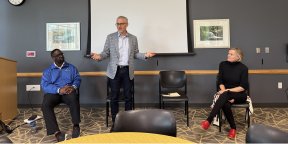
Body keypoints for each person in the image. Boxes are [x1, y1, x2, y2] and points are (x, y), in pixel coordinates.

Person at [91, 16, 156, 124]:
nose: (119, 26)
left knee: (128, 97)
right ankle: (115, 122)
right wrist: (99, 56)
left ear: (127, 24)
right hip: (114, 71)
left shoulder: (133, 38)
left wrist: (145, 55)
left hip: (127, 71)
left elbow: (135, 53)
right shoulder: (110, 37)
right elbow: (105, 53)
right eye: (117, 24)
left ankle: (128, 122)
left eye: (121, 24)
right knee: (114, 97)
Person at [201, 48, 249, 139]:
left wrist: (227, 91)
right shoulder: (223, 65)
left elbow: (243, 87)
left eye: (231, 54)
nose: (228, 55)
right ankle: (233, 128)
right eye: (228, 53)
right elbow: (220, 81)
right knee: (225, 103)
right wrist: (224, 91)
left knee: (225, 96)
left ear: (238, 57)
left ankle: (208, 120)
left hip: (239, 94)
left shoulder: (243, 68)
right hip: (225, 94)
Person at [41, 49, 81, 142]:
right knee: (45, 104)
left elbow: (77, 79)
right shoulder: (48, 71)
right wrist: (58, 89)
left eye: (62, 54)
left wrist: (73, 87)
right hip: (55, 92)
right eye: (58, 55)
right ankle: (56, 132)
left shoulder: (71, 67)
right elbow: (45, 85)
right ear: (53, 58)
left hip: (68, 91)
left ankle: (76, 125)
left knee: (74, 98)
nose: (61, 56)